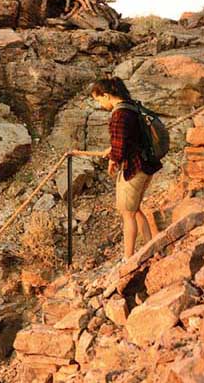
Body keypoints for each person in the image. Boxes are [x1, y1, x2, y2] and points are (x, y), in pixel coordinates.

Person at [69, 77, 162, 260]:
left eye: (98, 99)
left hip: (134, 168)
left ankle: (128, 258)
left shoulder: (119, 115)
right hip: (146, 164)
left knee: (127, 214)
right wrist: (113, 153)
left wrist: (113, 157)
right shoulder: (132, 107)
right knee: (135, 210)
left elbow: (119, 151)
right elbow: (131, 138)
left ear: (106, 95)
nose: (100, 104)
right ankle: (153, 249)